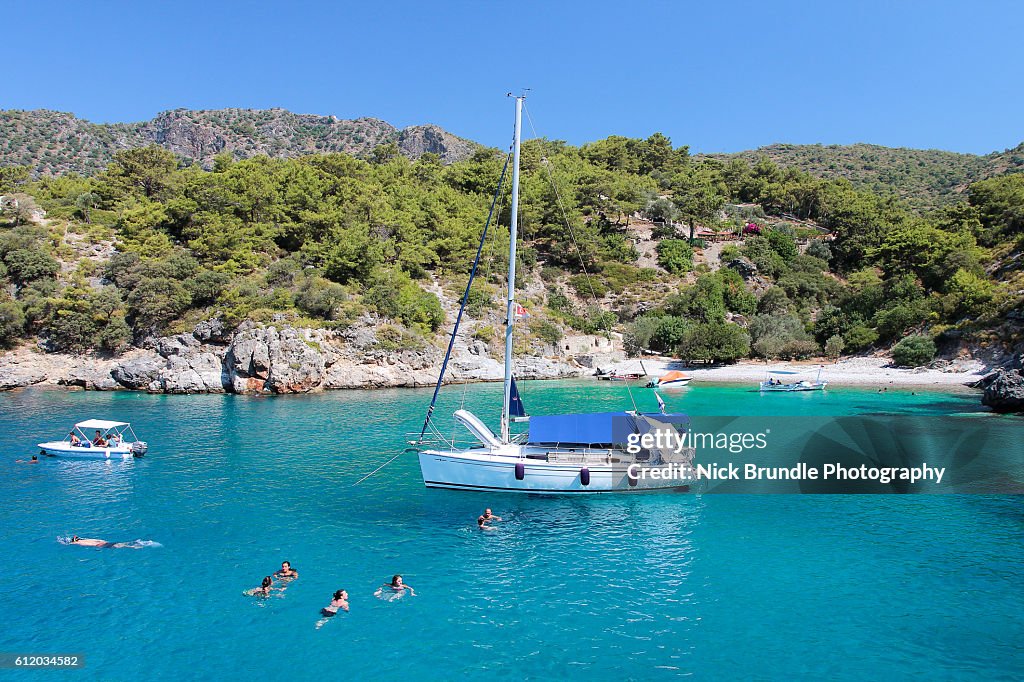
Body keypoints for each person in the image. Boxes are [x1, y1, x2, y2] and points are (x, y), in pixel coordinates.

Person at [68, 535, 139, 549]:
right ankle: (132, 544)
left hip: (100, 544)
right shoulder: (84, 540)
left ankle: (131, 546)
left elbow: (72, 543)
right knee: (118, 544)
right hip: (102, 542)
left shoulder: (80, 542)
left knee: (116, 546)